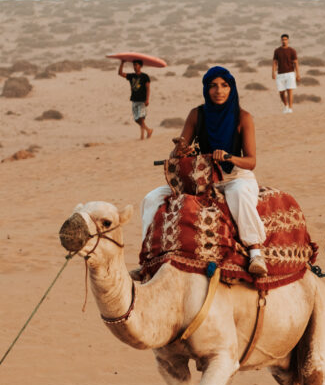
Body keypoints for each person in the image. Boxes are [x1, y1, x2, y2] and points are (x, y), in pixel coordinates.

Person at [141, 66, 268, 275]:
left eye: (224, 86)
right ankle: (149, 255)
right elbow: (176, 154)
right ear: (206, 90)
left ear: (232, 88)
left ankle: (255, 252)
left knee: (239, 194)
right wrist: (181, 150)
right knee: (152, 198)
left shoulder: (243, 117)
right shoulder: (196, 115)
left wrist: (228, 157)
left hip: (235, 176)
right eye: (213, 86)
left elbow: (251, 161)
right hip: (202, 178)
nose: (219, 91)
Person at [118, 58, 153, 139]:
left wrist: (147, 99)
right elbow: (120, 73)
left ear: (140, 66)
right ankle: (147, 131)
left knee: (141, 118)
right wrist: (122, 63)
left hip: (142, 100)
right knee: (137, 119)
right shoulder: (131, 76)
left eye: (136, 65)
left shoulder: (145, 76)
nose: (135, 66)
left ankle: (143, 135)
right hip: (134, 100)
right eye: (134, 65)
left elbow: (148, 88)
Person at [271, 33, 300, 114]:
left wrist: (298, 74)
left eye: (285, 39)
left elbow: (296, 63)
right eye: (283, 40)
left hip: (290, 73)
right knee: (281, 92)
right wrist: (273, 72)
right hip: (280, 74)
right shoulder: (277, 51)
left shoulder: (292, 51)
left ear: (288, 40)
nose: (284, 41)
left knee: (289, 91)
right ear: (281, 40)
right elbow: (274, 62)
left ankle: (290, 108)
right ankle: (286, 105)